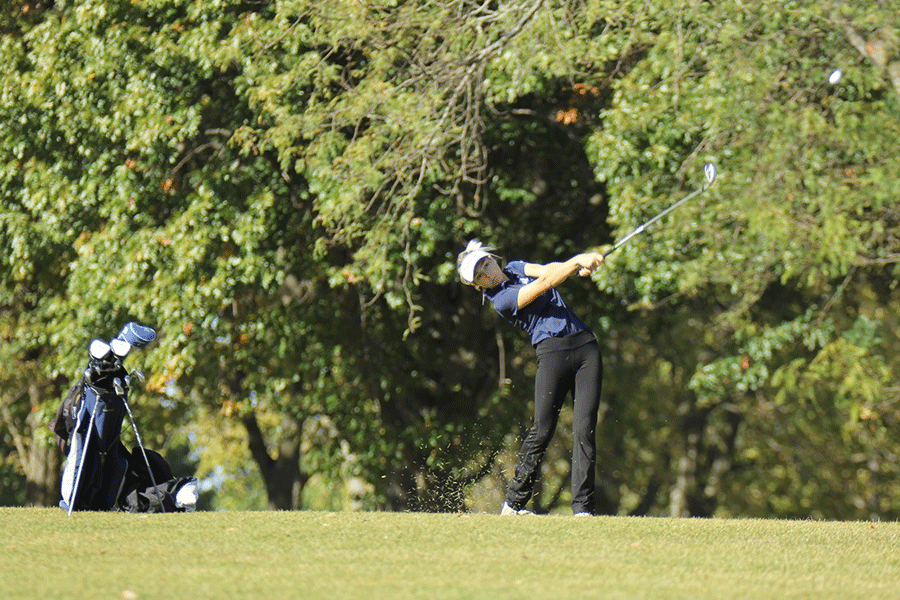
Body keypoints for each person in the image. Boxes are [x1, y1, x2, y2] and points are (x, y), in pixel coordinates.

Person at [457, 240, 605, 516]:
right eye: (479, 276)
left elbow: (549, 270)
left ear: (491, 258)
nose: (487, 273)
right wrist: (576, 260)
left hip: (586, 348)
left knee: (585, 429)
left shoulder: (515, 267)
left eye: (485, 265)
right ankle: (513, 505)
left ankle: (583, 509)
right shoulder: (500, 300)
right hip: (552, 354)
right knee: (542, 429)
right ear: (478, 285)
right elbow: (543, 285)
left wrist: (579, 268)